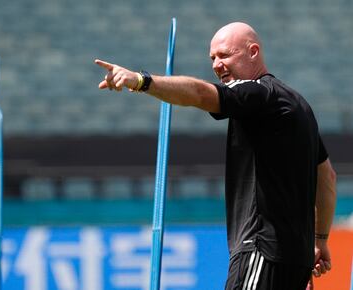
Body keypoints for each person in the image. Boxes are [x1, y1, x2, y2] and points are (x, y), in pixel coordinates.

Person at [95, 22, 337, 290]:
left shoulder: (258, 93)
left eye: (225, 55)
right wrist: (319, 240)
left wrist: (142, 81)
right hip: (295, 262)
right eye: (212, 58)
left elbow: (200, 93)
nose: (216, 65)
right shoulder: (299, 105)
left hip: (259, 250)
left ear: (253, 51)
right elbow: (327, 178)